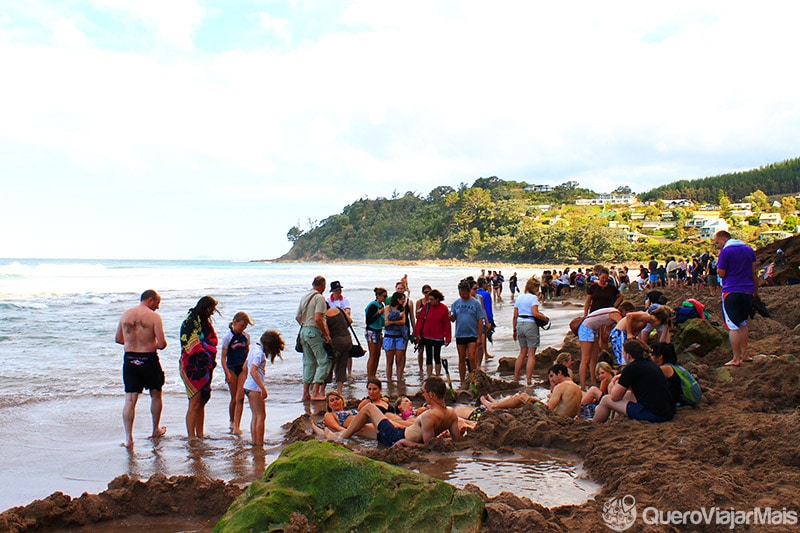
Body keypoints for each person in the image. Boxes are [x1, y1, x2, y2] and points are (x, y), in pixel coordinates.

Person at [323, 376, 461, 448]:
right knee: (365, 428)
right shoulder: (451, 413)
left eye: (424, 392)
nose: (422, 394)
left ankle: (340, 437)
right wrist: (445, 438)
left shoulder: (429, 416)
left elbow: (429, 447)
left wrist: (406, 443)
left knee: (369, 408)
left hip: (394, 437)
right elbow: (457, 440)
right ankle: (341, 434)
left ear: (431, 395)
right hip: (401, 433)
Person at [115, 290, 168, 449]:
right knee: (156, 394)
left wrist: (133, 344)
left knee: (130, 400)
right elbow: (162, 343)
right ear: (150, 300)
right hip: (148, 359)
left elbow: (118, 339)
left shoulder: (126, 314)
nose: (157, 307)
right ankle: (155, 430)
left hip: (130, 359)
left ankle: (129, 439)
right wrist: (151, 345)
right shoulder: (154, 317)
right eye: (157, 303)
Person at [593, 340, 676, 424]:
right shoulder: (651, 364)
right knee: (627, 395)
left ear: (628, 356)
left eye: (623, 354)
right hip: (668, 411)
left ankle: (595, 424)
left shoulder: (630, 369)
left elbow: (615, 397)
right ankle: (613, 418)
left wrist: (616, 382)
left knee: (605, 400)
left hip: (654, 414)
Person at [714, 230, 759, 367]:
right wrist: (756, 292)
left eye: (717, 242)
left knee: (733, 326)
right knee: (743, 323)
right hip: (747, 290)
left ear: (723, 239)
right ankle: (745, 354)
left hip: (731, 290)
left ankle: (736, 358)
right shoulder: (748, 249)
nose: (717, 246)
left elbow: (721, 274)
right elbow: (754, 272)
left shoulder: (726, 252)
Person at [180, 296, 220, 439]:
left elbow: (212, 340)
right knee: (194, 401)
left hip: (205, 366)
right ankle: (191, 437)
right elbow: (190, 345)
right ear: (205, 308)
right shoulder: (190, 321)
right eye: (211, 309)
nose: (212, 313)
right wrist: (207, 347)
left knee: (202, 401)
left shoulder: (204, 322)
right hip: (192, 366)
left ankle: (200, 435)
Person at [480, 364, 582, 418]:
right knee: (528, 401)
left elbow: (548, 409)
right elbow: (577, 411)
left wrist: (533, 400)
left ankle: (494, 406)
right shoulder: (577, 388)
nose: (551, 380)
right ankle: (499, 405)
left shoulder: (561, 387)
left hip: (555, 418)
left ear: (559, 373)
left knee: (523, 396)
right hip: (566, 419)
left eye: (552, 376)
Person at [577, 302, 634, 390]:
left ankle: (593, 382)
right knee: (586, 359)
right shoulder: (615, 313)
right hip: (586, 328)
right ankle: (583, 386)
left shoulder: (612, 315)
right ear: (623, 311)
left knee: (594, 358)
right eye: (629, 312)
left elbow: (605, 334)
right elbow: (623, 328)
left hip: (594, 329)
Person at [243, 330, 284, 446]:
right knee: (261, 416)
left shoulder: (253, 349)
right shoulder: (259, 353)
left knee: (255, 416)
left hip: (247, 386)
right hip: (255, 388)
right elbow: (253, 370)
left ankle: (255, 441)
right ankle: (259, 443)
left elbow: (244, 367)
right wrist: (262, 388)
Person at [296, 276, 331, 401]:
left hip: (304, 331)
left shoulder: (305, 296)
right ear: (322, 285)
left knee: (309, 362)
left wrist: (305, 326)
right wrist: (326, 334)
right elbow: (318, 318)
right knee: (324, 361)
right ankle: (316, 391)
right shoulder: (319, 298)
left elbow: (298, 317)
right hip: (314, 332)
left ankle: (305, 393)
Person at [220, 311, 254, 435]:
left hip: (242, 369)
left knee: (240, 398)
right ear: (235, 323)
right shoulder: (228, 337)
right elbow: (223, 357)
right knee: (234, 398)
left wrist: (249, 368)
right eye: (242, 325)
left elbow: (247, 353)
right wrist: (226, 372)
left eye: (245, 326)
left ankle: (237, 426)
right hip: (231, 368)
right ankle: (232, 422)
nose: (243, 328)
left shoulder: (246, 337)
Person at [512, 276, 550, 386]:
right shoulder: (533, 298)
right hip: (530, 324)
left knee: (522, 353)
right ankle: (528, 380)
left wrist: (514, 330)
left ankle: (516, 377)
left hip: (520, 324)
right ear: (534, 288)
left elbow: (515, 316)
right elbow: (535, 313)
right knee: (531, 354)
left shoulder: (519, 298)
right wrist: (545, 318)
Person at [450, 280, 487, 386]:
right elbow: (452, 318)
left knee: (471, 357)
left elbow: (480, 320)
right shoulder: (456, 303)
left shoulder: (475, 303)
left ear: (468, 291)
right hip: (460, 334)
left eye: (464, 292)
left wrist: (480, 337)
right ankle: (462, 380)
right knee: (461, 357)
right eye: (460, 292)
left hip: (472, 334)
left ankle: (473, 378)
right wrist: (451, 317)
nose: (462, 294)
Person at [414, 288, 451, 376]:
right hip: (426, 335)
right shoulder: (427, 306)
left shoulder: (444, 308)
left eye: (432, 299)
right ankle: (429, 375)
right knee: (428, 356)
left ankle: (437, 375)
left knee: (437, 356)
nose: (430, 301)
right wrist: (417, 333)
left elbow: (447, 324)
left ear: (437, 299)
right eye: (429, 299)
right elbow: (420, 320)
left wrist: (448, 338)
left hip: (438, 336)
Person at [325, 300, 353, 395]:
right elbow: (350, 321)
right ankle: (339, 391)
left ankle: (321, 390)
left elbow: (326, 332)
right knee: (342, 366)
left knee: (330, 365)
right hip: (347, 339)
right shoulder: (339, 309)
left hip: (336, 342)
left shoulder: (324, 317)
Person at [383, 291, 409, 383]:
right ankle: (389, 380)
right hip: (389, 337)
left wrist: (392, 321)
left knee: (399, 360)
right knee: (389, 361)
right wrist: (398, 316)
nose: (403, 301)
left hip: (400, 336)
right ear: (398, 299)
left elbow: (403, 322)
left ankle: (399, 379)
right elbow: (386, 322)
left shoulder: (402, 309)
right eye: (402, 299)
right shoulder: (387, 308)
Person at [364, 287, 388, 379]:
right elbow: (368, 320)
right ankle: (370, 376)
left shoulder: (381, 305)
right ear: (378, 296)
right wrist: (379, 313)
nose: (385, 298)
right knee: (373, 355)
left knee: (377, 355)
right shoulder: (373, 305)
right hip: (371, 330)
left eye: (386, 296)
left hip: (378, 331)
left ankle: (373, 375)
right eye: (384, 296)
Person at [476, 277, 495, 362]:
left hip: (474, 319)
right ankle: (485, 354)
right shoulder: (486, 294)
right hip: (483, 318)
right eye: (486, 283)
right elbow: (487, 308)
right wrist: (490, 320)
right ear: (483, 284)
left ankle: (484, 353)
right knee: (483, 337)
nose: (488, 285)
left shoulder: (474, 293)